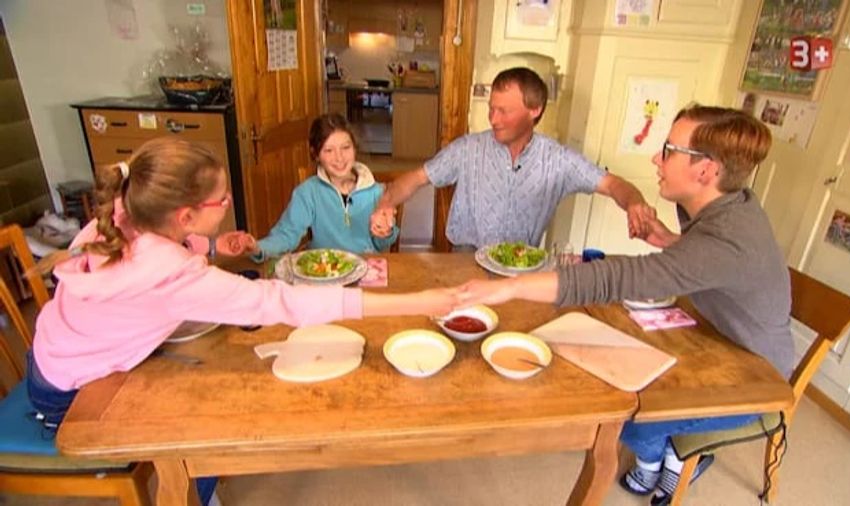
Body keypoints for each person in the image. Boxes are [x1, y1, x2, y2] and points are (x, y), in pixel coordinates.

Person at [25, 138, 459, 504]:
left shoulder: (124, 210)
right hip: (70, 393)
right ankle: (196, 492)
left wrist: (211, 247)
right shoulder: (171, 273)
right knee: (202, 426)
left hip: (54, 354)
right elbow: (282, 302)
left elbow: (161, 249)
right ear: (185, 215)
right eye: (223, 198)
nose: (230, 202)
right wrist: (419, 300)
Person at [457, 105, 793, 505]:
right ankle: (665, 453)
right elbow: (710, 260)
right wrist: (674, 244)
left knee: (627, 416)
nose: (656, 158)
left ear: (706, 170)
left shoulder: (728, 239)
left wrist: (509, 289)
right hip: (710, 337)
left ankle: (671, 457)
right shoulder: (729, 202)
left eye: (668, 150)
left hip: (753, 376)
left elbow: (618, 278)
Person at [369, 67, 655, 249]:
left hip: (522, 267)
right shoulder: (468, 148)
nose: (493, 119)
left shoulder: (557, 159)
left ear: (535, 110)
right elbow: (416, 178)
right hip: (465, 260)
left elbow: (612, 184)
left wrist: (635, 203)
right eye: (491, 108)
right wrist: (385, 203)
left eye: (503, 111)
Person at [238, 114, 398, 260]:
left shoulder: (378, 192)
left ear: (355, 148)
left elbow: (381, 244)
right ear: (316, 155)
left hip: (365, 269)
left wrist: (385, 232)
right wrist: (258, 247)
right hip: (322, 271)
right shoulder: (307, 192)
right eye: (328, 150)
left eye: (346, 148)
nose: (339, 157)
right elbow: (287, 234)